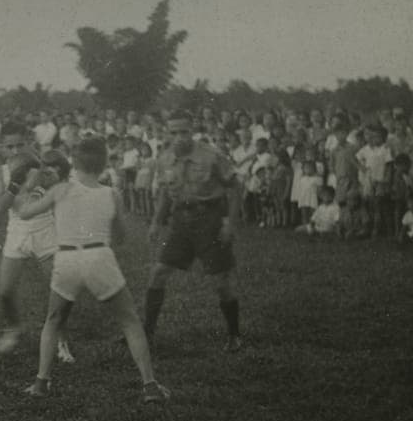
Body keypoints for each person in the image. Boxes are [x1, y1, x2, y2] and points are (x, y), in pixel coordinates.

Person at [17, 137, 170, 403]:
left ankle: (41, 383)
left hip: (66, 258)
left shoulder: (60, 190)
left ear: (74, 162)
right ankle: (150, 386)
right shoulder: (111, 193)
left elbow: (25, 213)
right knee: (130, 321)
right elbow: (120, 237)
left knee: (53, 321)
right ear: (102, 164)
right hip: (99, 256)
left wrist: (28, 185)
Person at [144, 110, 244, 352]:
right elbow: (166, 194)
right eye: (174, 132)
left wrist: (230, 223)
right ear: (167, 133)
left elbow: (236, 187)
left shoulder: (211, 156)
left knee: (222, 281)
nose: (180, 137)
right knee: (158, 272)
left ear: (193, 130)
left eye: (185, 132)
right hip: (180, 222)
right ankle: (146, 332)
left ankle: (234, 336)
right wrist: (156, 222)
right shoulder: (165, 159)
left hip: (209, 219)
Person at [0, 126, 73, 362]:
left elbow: (60, 191)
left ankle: (62, 339)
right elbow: (0, 206)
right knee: (5, 290)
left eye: (20, 145)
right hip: (17, 232)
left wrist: (46, 175)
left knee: (59, 288)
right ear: (2, 148)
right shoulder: (0, 172)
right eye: (9, 146)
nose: (15, 150)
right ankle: (14, 327)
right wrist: (15, 181)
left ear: (30, 143)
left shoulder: (43, 166)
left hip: (45, 230)